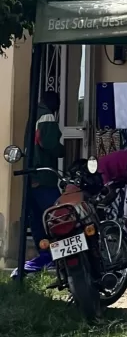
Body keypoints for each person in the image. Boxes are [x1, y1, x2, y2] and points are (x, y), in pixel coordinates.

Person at [13, 91, 64, 275]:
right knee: (57, 215)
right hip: (43, 175)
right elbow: (49, 143)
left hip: (31, 175)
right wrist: (62, 151)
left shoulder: (33, 113)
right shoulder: (47, 115)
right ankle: (60, 256)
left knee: (36, 220)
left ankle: (45, 255)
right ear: (54, 104)